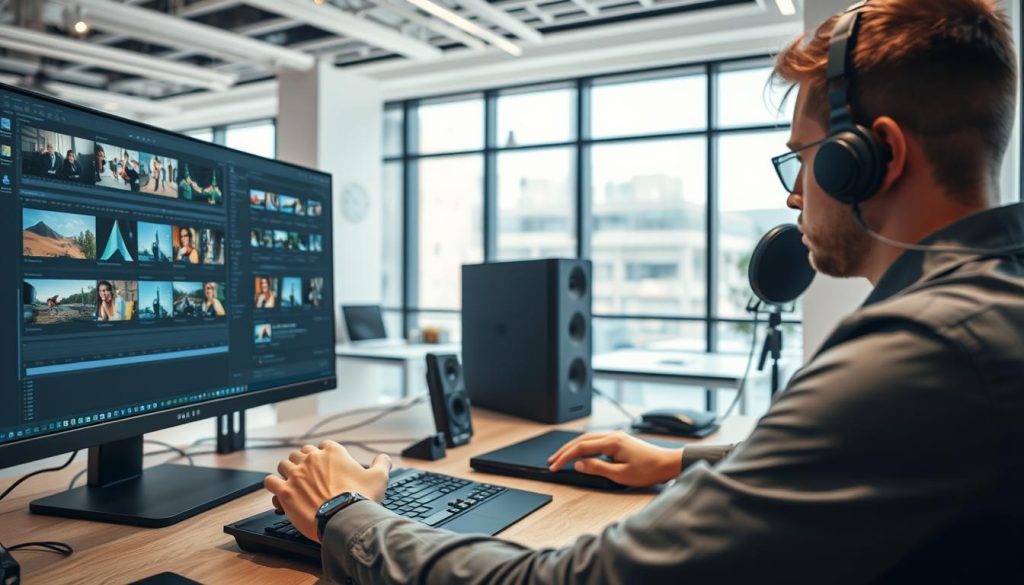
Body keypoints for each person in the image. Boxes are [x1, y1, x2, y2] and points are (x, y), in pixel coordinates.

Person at [264, 1, 1024, 583]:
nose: (795, 200)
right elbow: (869, 451)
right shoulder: (988, 308)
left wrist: (344, 513)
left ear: (873, 157)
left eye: (804, 163)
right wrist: (679, 463)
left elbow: (569, 578)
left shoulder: (923, 350)